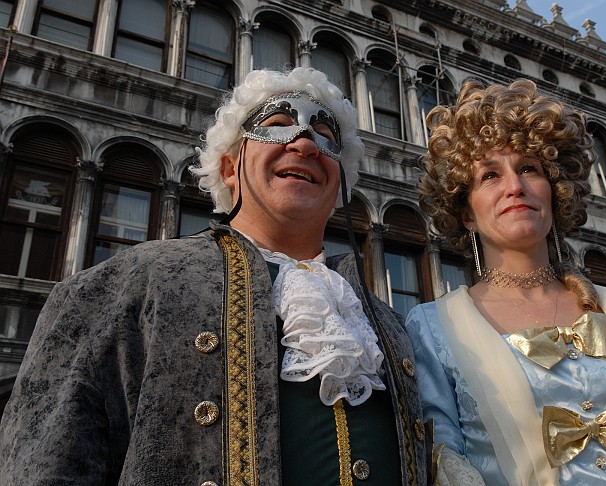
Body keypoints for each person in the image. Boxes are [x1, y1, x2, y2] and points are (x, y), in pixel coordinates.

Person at [0, 67, 430, 485]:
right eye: (279, 124)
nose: (305, 142)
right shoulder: (119, 286)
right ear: (228, 168)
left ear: (340, 186)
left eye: (326, 135)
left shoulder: (386, 326)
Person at [405, 79, 606, 485]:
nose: (515, 187)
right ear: (465, 211)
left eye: (529, 169)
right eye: (489, 176)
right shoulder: (434, 328)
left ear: (555, 191)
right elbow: (443, 460)